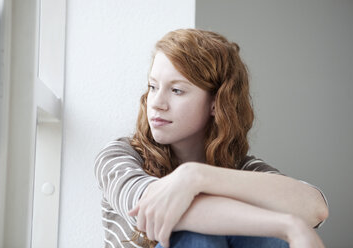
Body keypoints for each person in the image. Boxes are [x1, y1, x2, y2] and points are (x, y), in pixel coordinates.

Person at [94, 28, 329, 248]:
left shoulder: (240, 167)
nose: (156, 103)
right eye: (153, 87)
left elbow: (315, 207)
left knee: (262, 235)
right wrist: (288, 225)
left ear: (216, 103)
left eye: (176, 90)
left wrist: (198, 176)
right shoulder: (119, 156)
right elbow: (160, 207)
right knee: (200, 231)